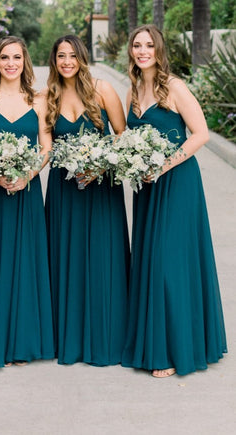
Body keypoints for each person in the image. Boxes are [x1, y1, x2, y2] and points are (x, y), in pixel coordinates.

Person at [122, 24, 227, 377]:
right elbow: (128, 138)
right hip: (147, 187)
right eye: (137, 45)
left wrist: (164, 165)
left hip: (178, 182)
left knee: (171, 261)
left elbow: (201, 134)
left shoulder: (175, 87)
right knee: (151, 259)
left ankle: (174, 348)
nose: (142, 51)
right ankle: (156, 343)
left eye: (149, 45)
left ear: (159, 49)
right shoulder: (133, 91)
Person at [44, 35, 130, 365]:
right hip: (65, 190)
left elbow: (122, 136)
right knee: (67, 257)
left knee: (102, 258)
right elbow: (45, 145)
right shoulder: (48, 95)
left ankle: (107, 337)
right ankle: (67, 338)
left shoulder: (102, 89)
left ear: (83, 57)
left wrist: (100, 163)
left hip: (101, 188)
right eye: (61, 55)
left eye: (73, 55)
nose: (67, 61)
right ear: (54, 60)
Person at [0, 36, 54, 367]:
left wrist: (28, 175)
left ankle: (21, 341)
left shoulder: (38, 100)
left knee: (24, 262)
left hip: (26, 193)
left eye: (16, 57)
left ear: (25, 62)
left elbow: (46, 145)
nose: (10, 63)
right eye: (4, 57)